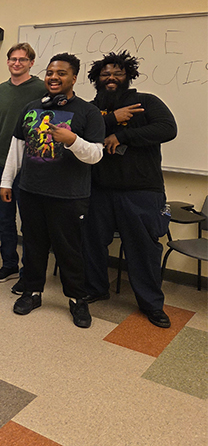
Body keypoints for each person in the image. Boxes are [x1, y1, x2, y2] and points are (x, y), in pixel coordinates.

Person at [0, 53, 104, 328]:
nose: (54, 77)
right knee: (33, 245)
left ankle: (77, 299)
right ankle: (32, 293)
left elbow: (96, 155)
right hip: (32, 191)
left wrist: (72, 141)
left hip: (69, 195)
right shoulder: (31, 107)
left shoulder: (88, 112)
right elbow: (17, 147)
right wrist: (7, 181)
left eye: (61, 73)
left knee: (69, 250)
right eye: (50, 73)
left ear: (74, 77)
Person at [81, 51, 177, 328]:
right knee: (92, 243)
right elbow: (80, 133)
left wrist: (122, 135)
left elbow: (168, 129)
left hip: (141, 191)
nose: (111, 78)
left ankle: (151, 304)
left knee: (143, 249)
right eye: (105, 74)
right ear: (96, 78)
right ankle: (96, 289)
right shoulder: (90, 108)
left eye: (117, 73)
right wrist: (112, 119)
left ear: (128, 76)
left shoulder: (146, 102)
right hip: (98, 190)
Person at [0, 43, 48, 288]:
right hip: (1, 161)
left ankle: (29, 272)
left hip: (30, 165)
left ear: (31, 62)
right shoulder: (1, 90)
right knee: (4, 219)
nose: (17, 63)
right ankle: (9, 264)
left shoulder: (43, 88)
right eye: (13, 59)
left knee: (30, 222)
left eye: (22, 59)